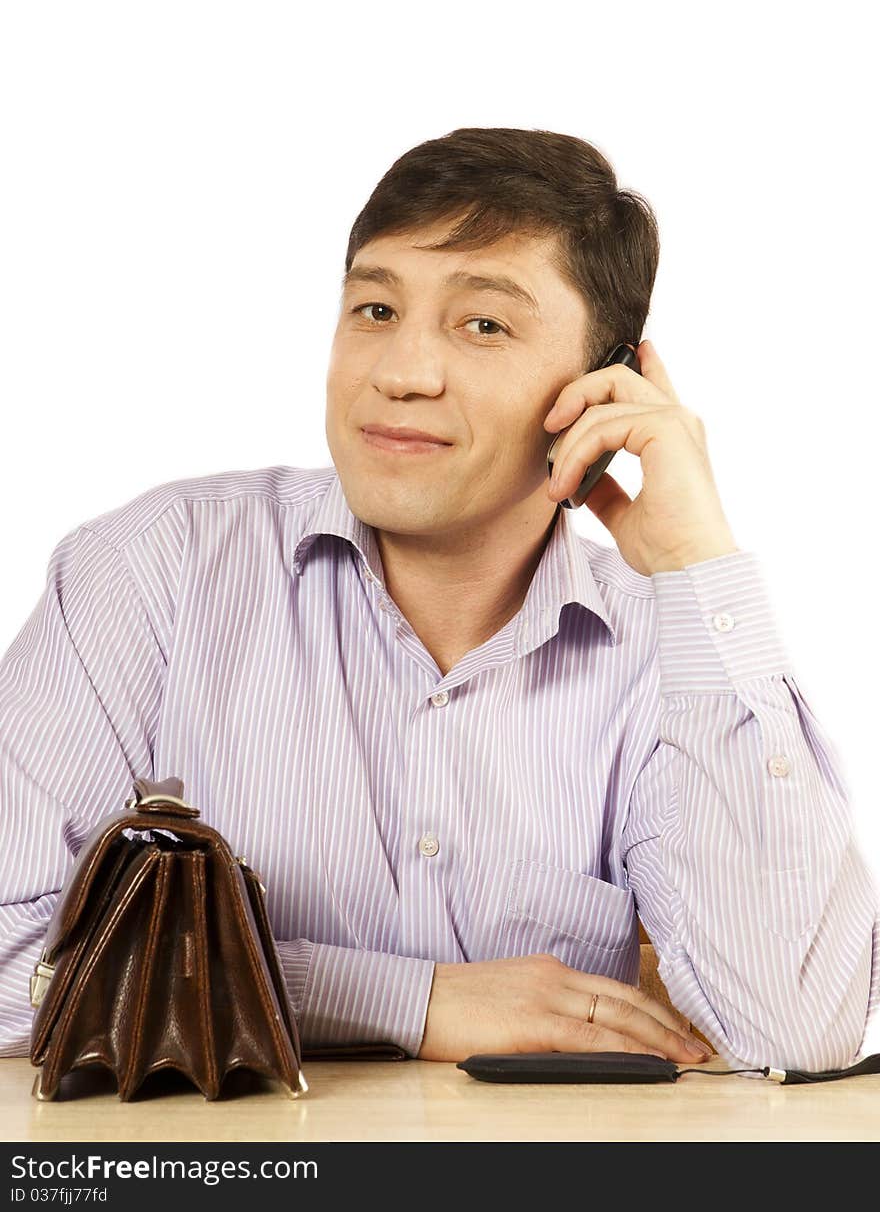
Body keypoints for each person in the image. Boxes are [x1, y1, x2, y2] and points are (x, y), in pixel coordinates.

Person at [1, 127, 877, 1073]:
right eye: (374, 309)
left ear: (599, 388)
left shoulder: (666, 653)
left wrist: (700, 567)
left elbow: (795, 1027)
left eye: (484, 324)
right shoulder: (153, 573)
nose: (400, 372)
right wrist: (401, 1000)